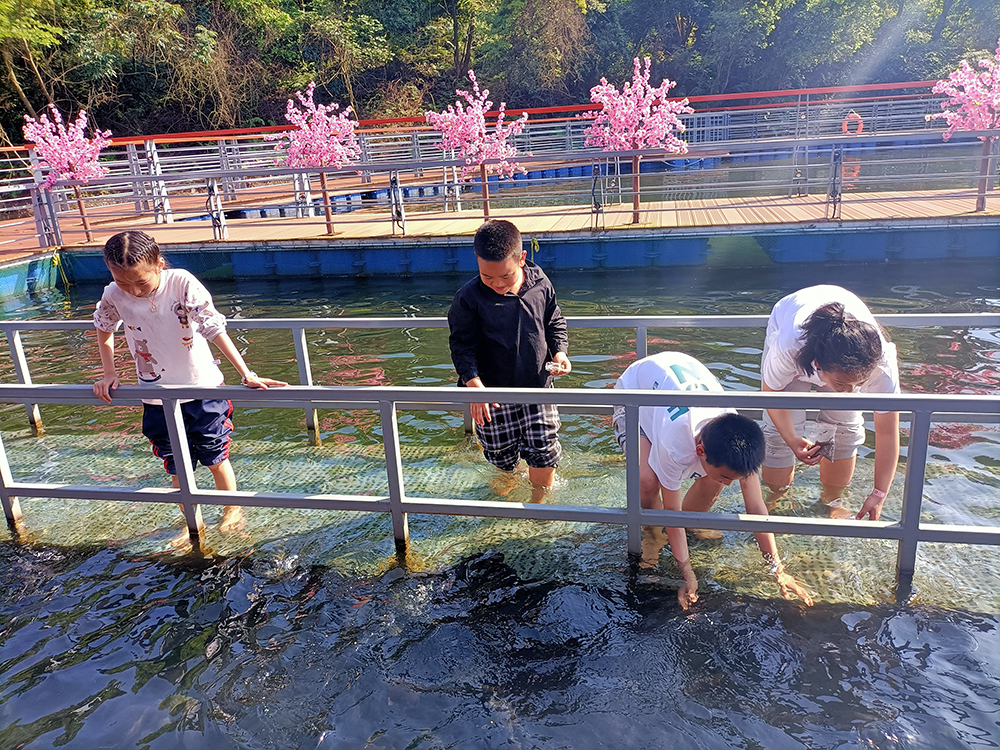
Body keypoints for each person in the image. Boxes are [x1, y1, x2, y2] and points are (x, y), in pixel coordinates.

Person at [92, 230, 286, 535]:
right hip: (155, 394)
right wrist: (109, 373)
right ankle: (191, 520)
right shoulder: (113, 294)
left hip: (202, 388)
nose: (134, 291)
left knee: (215, 455)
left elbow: (212, 326)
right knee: (176, 463)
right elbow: (104, 327)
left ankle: (232, 509)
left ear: (159, 264)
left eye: (141, 282)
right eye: (123, 282)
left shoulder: (180, 282)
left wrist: (246, 373)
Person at [613, 351, 813, 610]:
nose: (730, 485)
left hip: (672, 391)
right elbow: (672, 513)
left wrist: (777, 570)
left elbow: (756, 509)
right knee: (647, 479)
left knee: (715, 478)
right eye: (728, 477)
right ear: (699, 451)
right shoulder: (675, 445)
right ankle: (653, 535)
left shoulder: (741, 444)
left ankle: (692, 524)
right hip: (635, 397)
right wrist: (687, 574)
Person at [448, 219, 571, 500]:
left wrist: (560, 352)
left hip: (537, 386)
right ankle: (506, 502)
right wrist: (474, 388)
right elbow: (461, 346)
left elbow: (554, 320)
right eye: (487, 277)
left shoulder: (540, 282)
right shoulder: (467, 298)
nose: (497, 284)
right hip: (490, 394)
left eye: (506, 276)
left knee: (544, 450)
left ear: (522, 258)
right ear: (477, 261)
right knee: (501, 458)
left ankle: (539, 507)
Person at [760, 285, 900, 522]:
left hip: (839, 358)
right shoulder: (789, 347)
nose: (851, 391)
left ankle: (832, 500)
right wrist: (792, 439)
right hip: (794, 329)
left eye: (859, 383)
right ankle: (775, 496)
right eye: (843, 383)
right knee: (777, 434)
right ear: (817, 365)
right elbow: (771, 394)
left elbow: (887, 432)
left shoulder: (881, 364)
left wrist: (879, 493)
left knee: (845, 429)